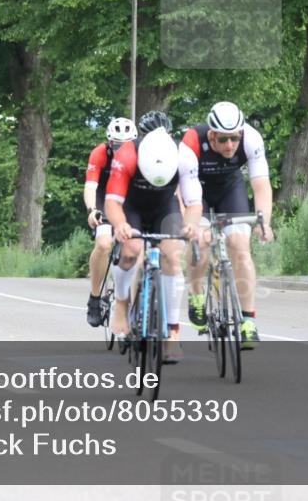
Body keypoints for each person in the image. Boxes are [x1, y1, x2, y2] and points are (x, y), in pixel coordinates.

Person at [104, 110, 202, 363]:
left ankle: (172, 332)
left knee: (172, 255)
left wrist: (190, 225)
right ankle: (122, 305)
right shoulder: (126, 155)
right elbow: (112, 202)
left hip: (164, 207)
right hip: (132, 206)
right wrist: (121, 224)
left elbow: (193, 203)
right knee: (131, 250)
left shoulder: (184, 155)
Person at [182, 101, 274, 349]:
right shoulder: (191, 142)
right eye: (223, 140)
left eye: (234, 138)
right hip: (196, 191)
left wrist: (263, 221)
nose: (230, 145)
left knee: (239, 246)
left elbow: (261, 184)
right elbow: (185, 191)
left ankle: (248, 320)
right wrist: (192, 226)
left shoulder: (251, 139)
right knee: (199, 242)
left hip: (229, 189)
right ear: (211, 134)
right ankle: (197, 296)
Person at [83, 116, 137, 327]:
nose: (120, 149)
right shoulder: (100, 153)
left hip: (128, 199)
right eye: (116, 145)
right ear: (109, 142)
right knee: (104, 244)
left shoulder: (140, 154)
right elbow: (91, 186)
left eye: (125, 145)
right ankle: (95, 298)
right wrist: (92, 210)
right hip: (105, 199)